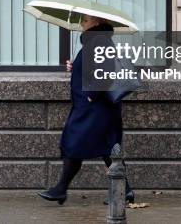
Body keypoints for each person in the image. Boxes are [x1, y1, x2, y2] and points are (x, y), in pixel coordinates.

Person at [37, 14, 134, 205]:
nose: (82, 23)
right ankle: (125, 191)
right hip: (93, 108)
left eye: (86, 20)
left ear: (98, 22)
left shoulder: (99, 42)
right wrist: (76, 66)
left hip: (94, 108)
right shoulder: (96, 42)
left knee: (75, 144)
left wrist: (92, 95)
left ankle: (60, 189)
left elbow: (104, 72)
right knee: (106, 148)